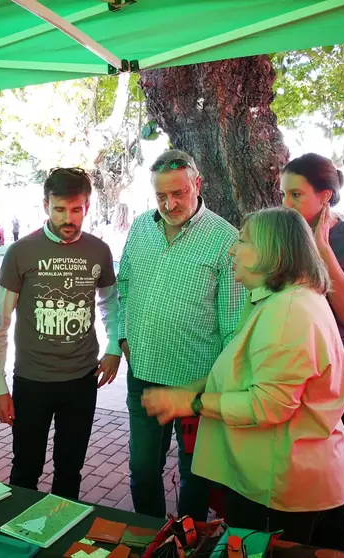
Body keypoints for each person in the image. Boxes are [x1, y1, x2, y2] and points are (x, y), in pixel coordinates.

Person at [143, 207, 344, 544]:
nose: (231, 250)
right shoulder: (273, 300)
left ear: (272, 252)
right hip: (269, 480)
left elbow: (268, 405)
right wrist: (190, 391)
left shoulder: (288, 311)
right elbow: (239, 368)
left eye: (242, 241)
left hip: (280, 488)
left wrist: (193, 402)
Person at [117, 149, 245, 521]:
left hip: (196, 386)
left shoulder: (225, 238)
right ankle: (150, 534)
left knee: (196, 476)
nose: (170, 204)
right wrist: (124, 338)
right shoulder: (141, 227)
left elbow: (233, 325)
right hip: (143, 375)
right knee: (142, 469)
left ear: (197, 184)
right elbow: (124, 285)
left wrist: (213, 387)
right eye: (161, 196)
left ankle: (189, 541)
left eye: (179, 193)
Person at [0, 168, 121, 499]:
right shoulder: (21, 252)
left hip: (81, 381)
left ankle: (61, 538)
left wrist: (114, 346)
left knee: (70, 469)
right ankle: (17, 546)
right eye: (60, 209)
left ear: (87, 205)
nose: (68, 218)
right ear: (46, 205)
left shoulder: (99, 251)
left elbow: (111, 304)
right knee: (26, 468)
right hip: (32, 380)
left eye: (76, 209)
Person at [280, 153, 344, 550]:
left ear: (325, 196)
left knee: (329, 458)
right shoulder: (282, 232)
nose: (286, 204)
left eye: (296, 194)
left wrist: (323, 249)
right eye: (283, 194)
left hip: (333, 364)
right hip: (284, 361)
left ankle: (329, 544)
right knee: (287, 459)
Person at [95, 202, 131, 272]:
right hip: (122, 263)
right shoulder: (131, 229)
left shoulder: (105, 227)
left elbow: (92, 238)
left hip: (107, 262)